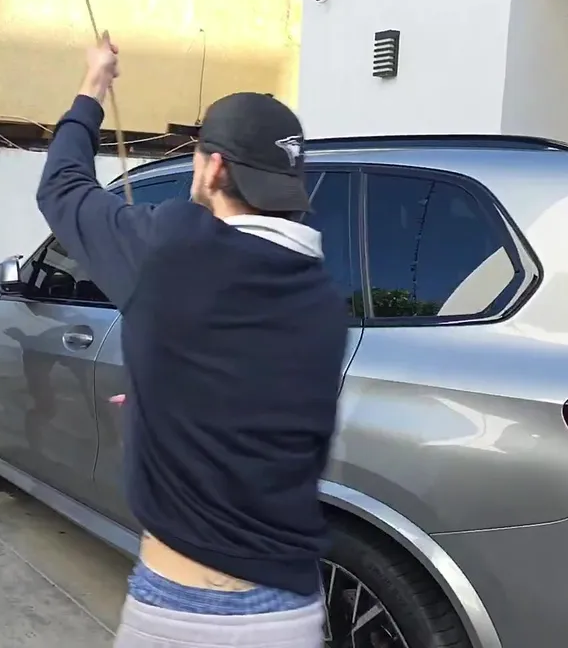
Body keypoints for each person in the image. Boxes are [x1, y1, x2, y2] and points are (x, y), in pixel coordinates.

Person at [36, 37, 350, 646]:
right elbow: (252, 399)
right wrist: (163, 403)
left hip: (184, 611)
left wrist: (95, 82)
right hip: (293, 611)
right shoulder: (322, 297)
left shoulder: (174, 247)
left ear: (214, 168)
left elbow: (62, 187)